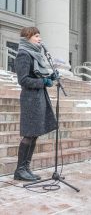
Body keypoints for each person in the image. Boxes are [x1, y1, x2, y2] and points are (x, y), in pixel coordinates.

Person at [14, 27, 57, 181]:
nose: (40, 39)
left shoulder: (36, 55)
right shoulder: (24, 55)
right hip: (30, 99)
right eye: (36, 36)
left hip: (38, 98)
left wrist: (50, 78)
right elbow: (23, 80)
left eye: (40, 36)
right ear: (27, 38)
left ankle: (26, 167)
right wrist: (42, 81)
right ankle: (20, 170)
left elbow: (37, 75)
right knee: (29, 134)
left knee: (34, 134)